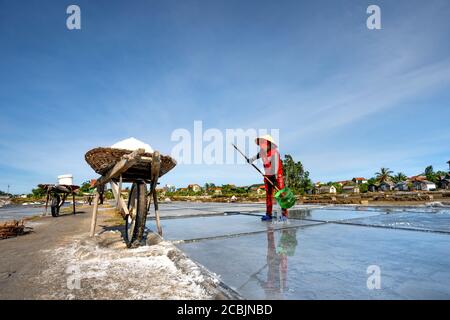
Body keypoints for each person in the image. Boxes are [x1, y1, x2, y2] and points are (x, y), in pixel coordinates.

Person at [248, 135, 288, 221]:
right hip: (267, 175)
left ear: (269, 144)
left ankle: (284, 214)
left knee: (281, 195)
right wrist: (250, 160)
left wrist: (274, 179)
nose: (262, 145)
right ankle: (268, 214)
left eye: (264, 143)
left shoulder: (275, 153)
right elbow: (255, 157)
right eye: (261, 144)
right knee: (268, 196)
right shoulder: (262, 152)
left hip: (277, 176)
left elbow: (276, 167)